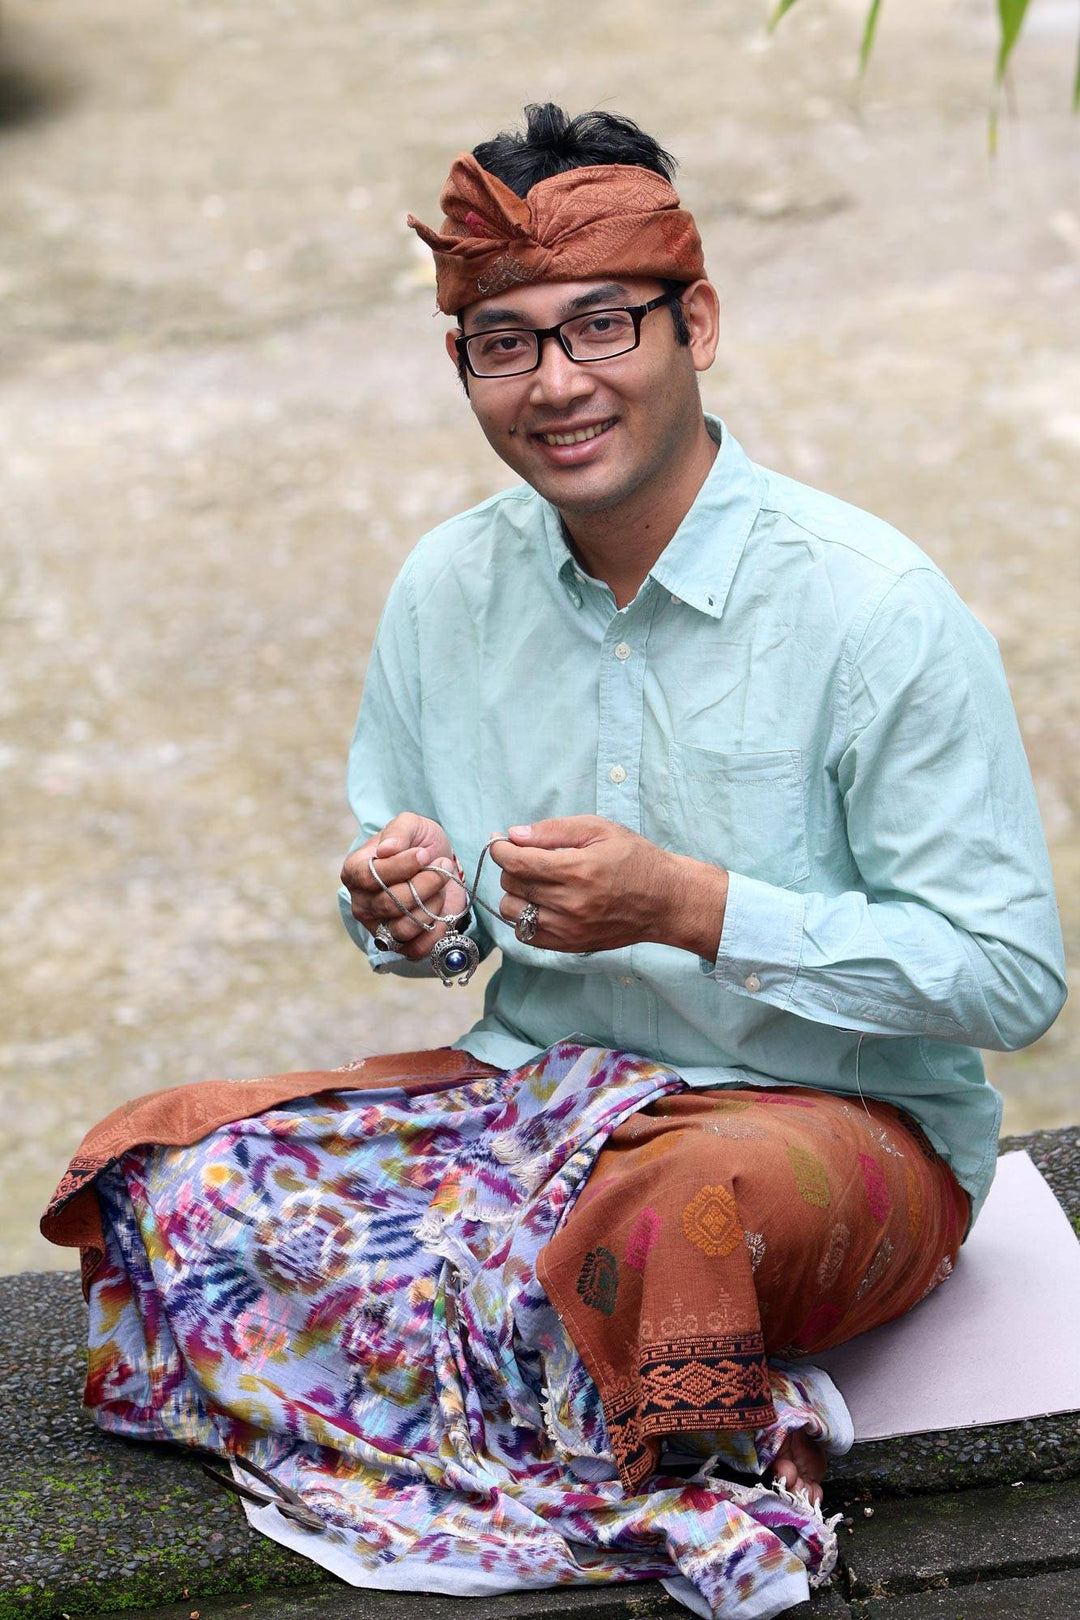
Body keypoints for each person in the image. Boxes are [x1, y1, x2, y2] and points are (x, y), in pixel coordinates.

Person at [45, 105, 1065, 1620]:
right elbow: (438, 928)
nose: (557, 383)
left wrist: (694, 908)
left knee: (673, 1223)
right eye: (503, 344)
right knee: (178, 1172)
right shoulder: (447, 588)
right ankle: (622, 1396)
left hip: (831, 1125)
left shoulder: (873, 609)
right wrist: (411, 910)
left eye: (601, 325)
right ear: (462, 366)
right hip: (539, 1107)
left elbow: (1011, 979)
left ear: (695, 323)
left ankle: (672, 1412)